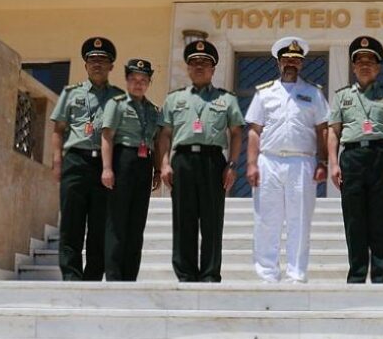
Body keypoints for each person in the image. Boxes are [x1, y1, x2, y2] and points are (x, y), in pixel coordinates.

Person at [157, 40, 245, 282]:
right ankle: (185, 272)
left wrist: (232, 165)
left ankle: (209, 273)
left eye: (205, 63)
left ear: (213, 69)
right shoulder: (174, 99)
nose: (199, 67)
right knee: (183, 219)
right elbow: (164, 134)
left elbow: (237, 133)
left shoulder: (226, 99)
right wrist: (164, 164)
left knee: (212, 220)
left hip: (213, 161)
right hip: (183, 160)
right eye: (194, 63)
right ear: (187, 68)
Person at [245, 36, 330, 283]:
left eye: (296, 59)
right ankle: (267, 273)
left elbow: (322, 130)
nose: (291, 63)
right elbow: (254, 130)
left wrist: (322, 163)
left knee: (300, 220)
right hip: (268, 162)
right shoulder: (264, 93)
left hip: (302, 162)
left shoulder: (313, 93)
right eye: (286, 59)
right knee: (266, 219)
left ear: (301, 64)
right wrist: (251, 164)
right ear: (278, 62)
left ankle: (296, 273)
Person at [327, 36, 383, 283]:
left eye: (370, 61)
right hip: (351, 158)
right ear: (353, 66)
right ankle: (357, 274)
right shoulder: (341, 97)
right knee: (354, 220)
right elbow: (333, 131)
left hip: (381, 157)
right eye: (359, 61)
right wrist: (333, 163)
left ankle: (382, 276)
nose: (364, 65)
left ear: (378, 67)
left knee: (381, 219)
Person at [50, 36, 123, 281]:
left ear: (111, 66)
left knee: (100, 225)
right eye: (92, 60)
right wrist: (58, 163)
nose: (97, 64)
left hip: (104, 166)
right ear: (85, 65)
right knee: (72, 222)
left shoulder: (119, 98)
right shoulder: (71, 94)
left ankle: (92, 276)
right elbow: (58, 130)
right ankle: (71, 275)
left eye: (103, 60)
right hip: (76, 162)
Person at [100, 58, 161, 282]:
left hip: (144, 164)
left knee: (137, 223)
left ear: (149, 83)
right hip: (122, 159)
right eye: (134, 79)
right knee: (117, 221)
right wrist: (107, 168)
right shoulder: (116, 104)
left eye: (143, 80)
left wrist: (156, 170)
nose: (138, 84)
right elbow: (107, 136)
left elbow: (157, 140)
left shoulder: (154, 110)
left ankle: (129, 276)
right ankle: (114, 275)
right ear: (127, 80)